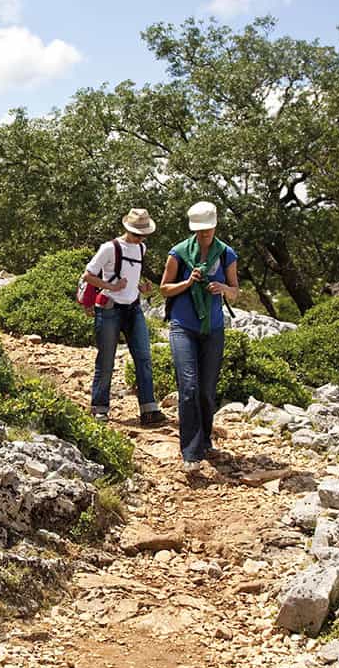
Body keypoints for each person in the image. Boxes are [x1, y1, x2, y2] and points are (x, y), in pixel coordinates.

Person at [159, 201, 239, 474]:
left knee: (206, 390)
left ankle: (206, 440)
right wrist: (188, 283)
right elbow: (164, 289)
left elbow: (236, 291)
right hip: (183, 326)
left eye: (208, 230)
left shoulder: (227, 254)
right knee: (189, 387)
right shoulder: (179, 253)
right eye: (200, 231)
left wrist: (223, 288)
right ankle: (190, 452)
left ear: (215, 226)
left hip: (213, 329)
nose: (204, 235)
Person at [81, 208, 168, 426]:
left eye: (142, 234)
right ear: (127, 229)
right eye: (136, 233)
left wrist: (142, 287)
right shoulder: (109, 248)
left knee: (144, 357)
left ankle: (149, 409)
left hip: (134, 308)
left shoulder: (142, 249)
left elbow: (131, 277)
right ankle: (99, 408)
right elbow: (88, 276)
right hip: (109, 308)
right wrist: (111, 286)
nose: (140, 238)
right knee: (106, 359)